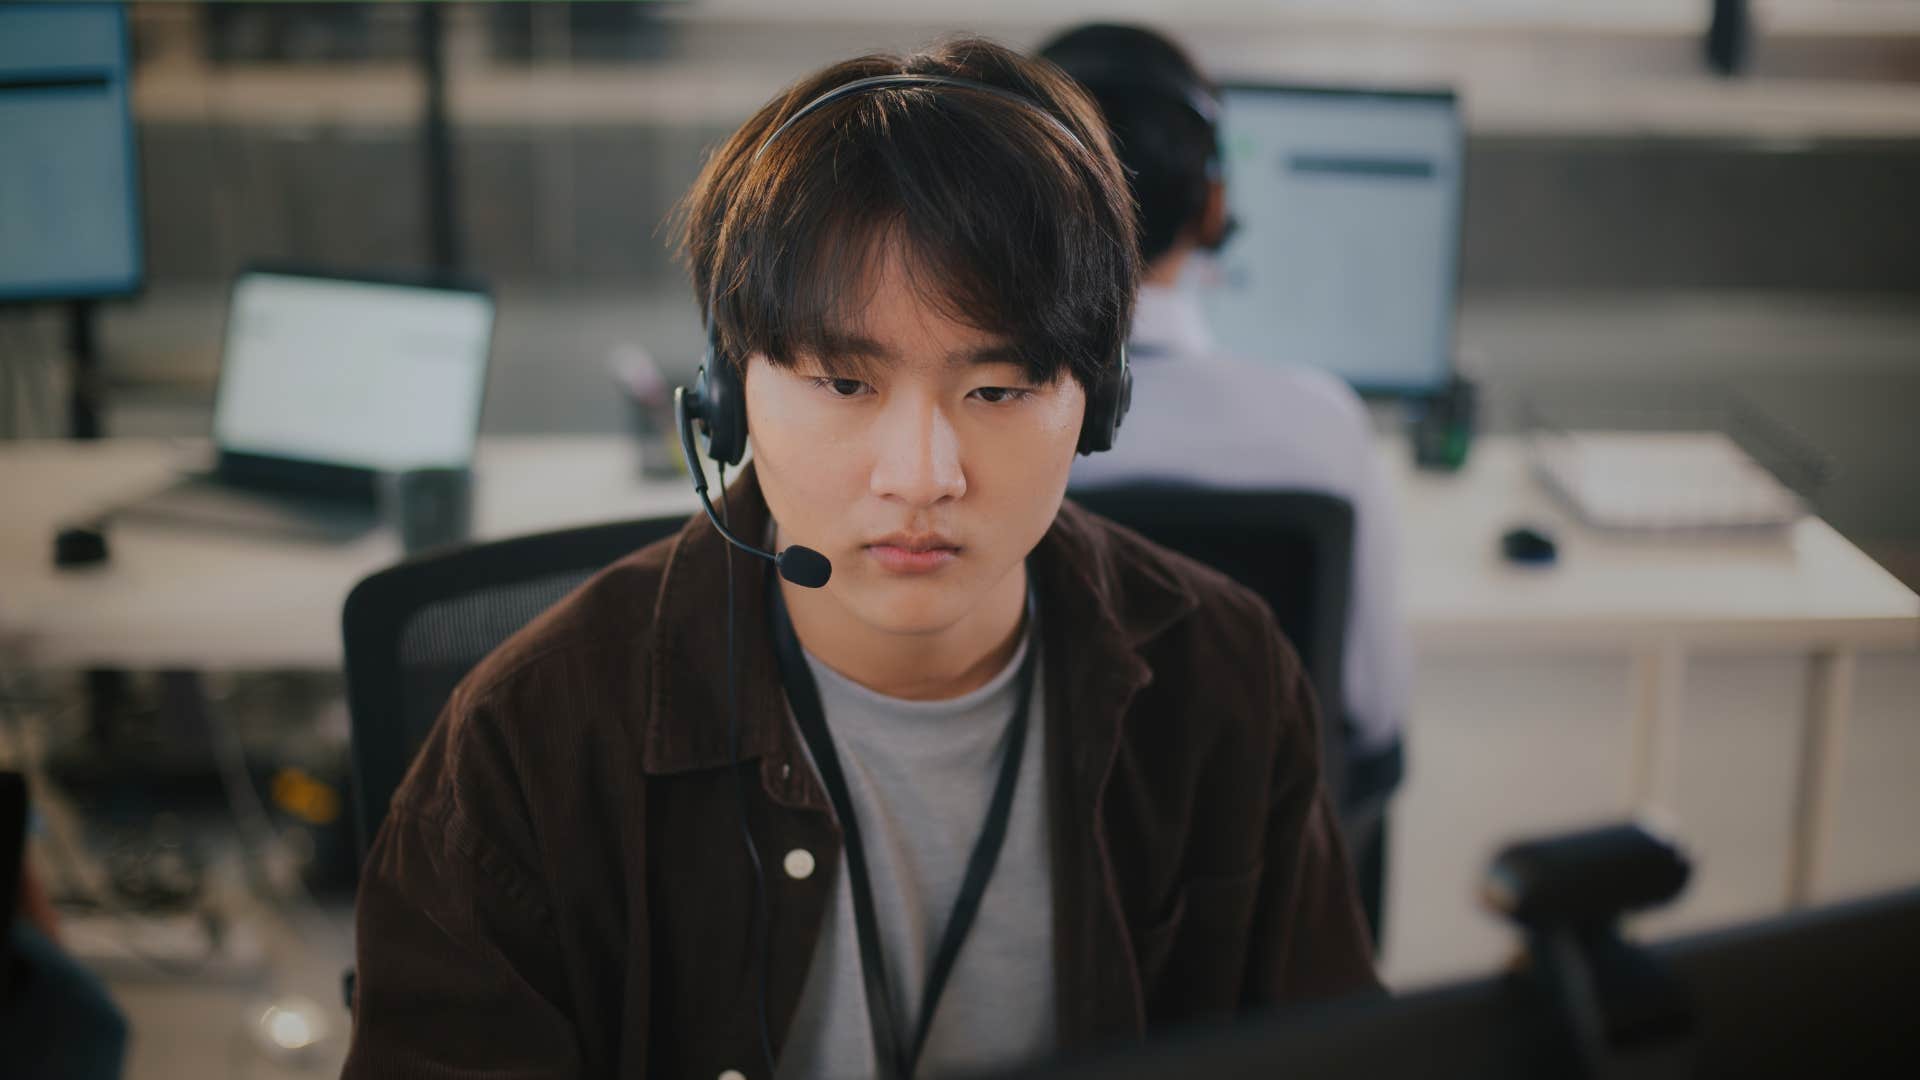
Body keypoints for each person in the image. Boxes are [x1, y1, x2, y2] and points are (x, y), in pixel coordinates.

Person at [344, 38, 1376, 1080]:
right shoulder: (530, 744)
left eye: (1000, 389)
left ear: (1098, 403)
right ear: (727, 390)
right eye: (844, 384)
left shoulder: (1226, 678)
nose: (923, 477)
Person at [1040, 24, 1412, 943]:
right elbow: (1372, 714)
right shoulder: (1320, 430)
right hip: (1259, 908)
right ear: (1214, 205)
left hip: (1039, 893)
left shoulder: (978, 436)